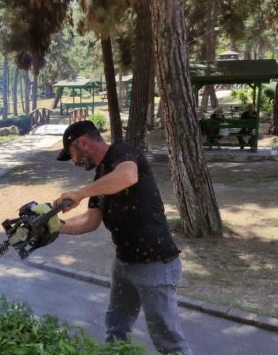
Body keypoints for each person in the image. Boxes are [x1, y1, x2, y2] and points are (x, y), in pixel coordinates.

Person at [53, 121, 193, 355]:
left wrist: (78, 193)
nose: (74, 163)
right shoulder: (100, 178)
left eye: (72, 155)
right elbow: (90, 221)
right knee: (116, 327)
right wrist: (54, 227)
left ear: (84, 143)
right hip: (124, 263)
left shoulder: (123, 153)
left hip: (155, 263)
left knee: (168, 339)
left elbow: (127, 176)